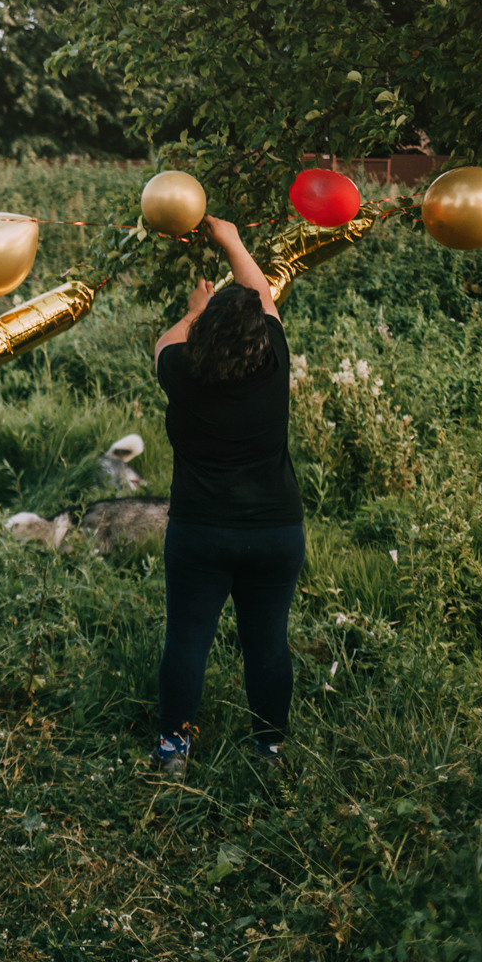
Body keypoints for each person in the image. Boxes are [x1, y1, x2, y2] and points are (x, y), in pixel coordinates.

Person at [151, 215, 305, 775]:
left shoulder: (180, 372)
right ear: (262, 337)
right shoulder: (273, 363)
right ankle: (269, 752)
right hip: (274, 532)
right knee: (268, 643)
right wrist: (232, 239)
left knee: (187, 638)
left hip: (200, 533)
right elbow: (262, 294)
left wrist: (196, 308)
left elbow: (168, 341)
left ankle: (173, 751)